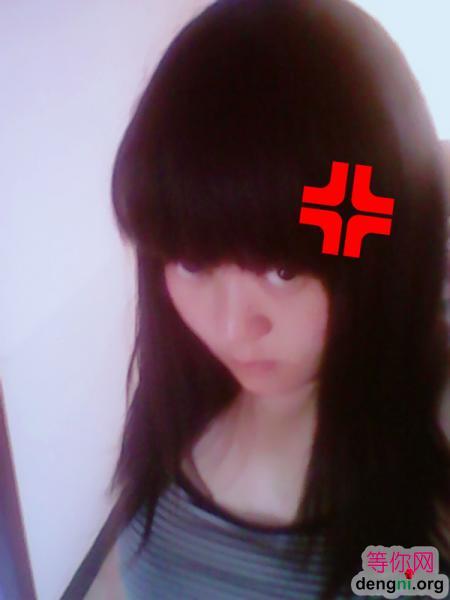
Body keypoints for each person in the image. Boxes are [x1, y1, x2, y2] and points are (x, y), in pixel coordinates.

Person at [106, 0, 450, 598]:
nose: (232, 327)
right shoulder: (174, 400)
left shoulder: (431, 444)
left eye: (284, 270)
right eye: (193, 264)